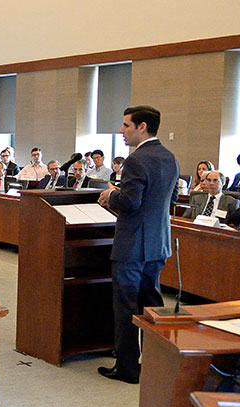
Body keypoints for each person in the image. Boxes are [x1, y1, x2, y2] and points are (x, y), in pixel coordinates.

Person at [97, 105, 179, 384]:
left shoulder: (136, 160)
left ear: (142, 127)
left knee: (126, 308)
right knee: (152, 307)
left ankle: (128, 368)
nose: (121, 131)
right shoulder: (169, 157)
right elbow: (170, 200)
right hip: (158, 244)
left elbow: (131, 202)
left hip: (132, 246)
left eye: (126, 125)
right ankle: (158, 364)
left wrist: (111, 194)